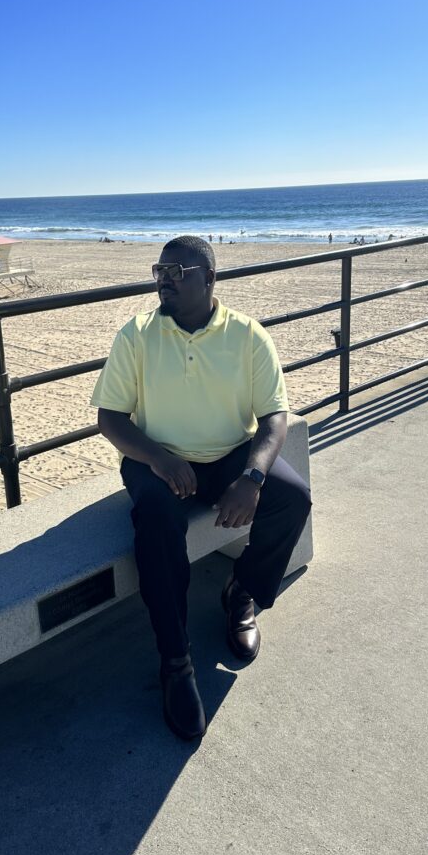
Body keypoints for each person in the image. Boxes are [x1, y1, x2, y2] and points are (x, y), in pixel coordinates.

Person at [91, 235, 311, 740]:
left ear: (210, 279)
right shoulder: (137, 335)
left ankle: (242, 593)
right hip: (156, 458)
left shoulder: (247, 335)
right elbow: (111, 417)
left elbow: (274, 416)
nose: (164, 279)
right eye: (159, 271)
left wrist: (252, 477)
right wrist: (159, 458)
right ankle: (176, 662)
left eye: (178, 271)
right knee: (155, 523)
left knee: (292, 498)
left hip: (231, 453)